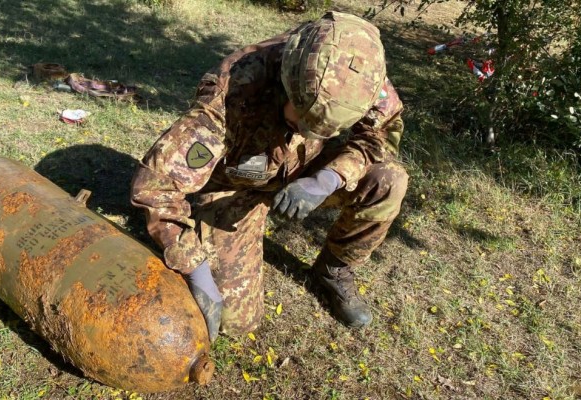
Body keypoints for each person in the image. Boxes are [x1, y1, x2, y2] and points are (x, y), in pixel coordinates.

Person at [131, 11, 408, 341]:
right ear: (287, 79)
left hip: (305, 173)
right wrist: (196, 271)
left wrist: (328, 179)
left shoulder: (357, 75)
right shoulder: (235, 89)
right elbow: (154, 187)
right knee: (235, 322)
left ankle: (333, 270)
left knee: (388, 180)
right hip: (235, 187)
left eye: (323, 128)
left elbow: (379, 133)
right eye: (300, 120)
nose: (307, 131)